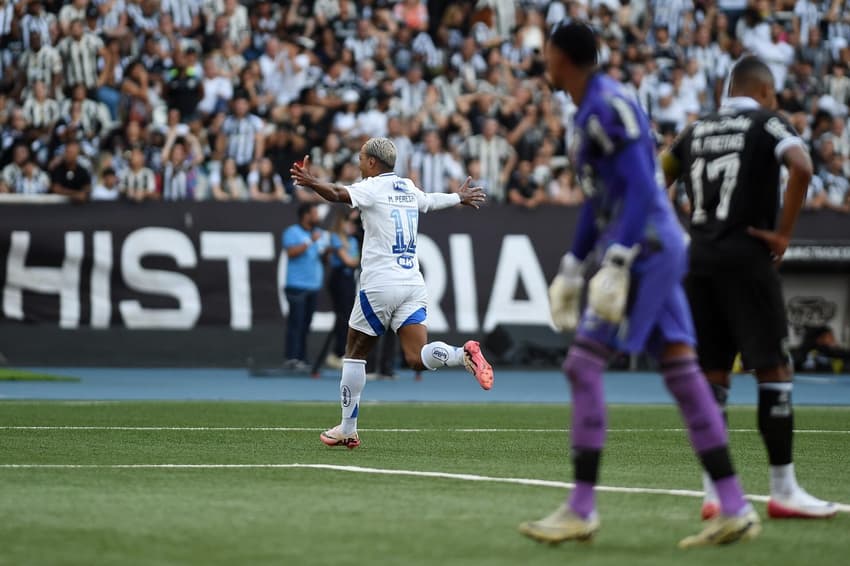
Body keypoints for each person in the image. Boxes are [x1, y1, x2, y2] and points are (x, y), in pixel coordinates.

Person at [519, 22, 759, 549]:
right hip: (650, 247)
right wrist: (572, 263)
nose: (544, 63)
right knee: (681, 371)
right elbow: (598, 198)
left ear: (563, 58)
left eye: (548, 55)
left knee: (582, 365)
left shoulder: (606, 106)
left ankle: (581, 508)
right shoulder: (589, 110)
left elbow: (639, 186)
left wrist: (620, 256)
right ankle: (735, 505)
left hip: (646, 251)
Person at [662, 55, 837, 520]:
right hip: (747, 258)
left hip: (698, 261)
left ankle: (715, 495)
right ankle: (784, 490)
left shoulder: (696, 129)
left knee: (712, 379)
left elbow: (658, 176)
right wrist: (782, 234)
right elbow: (801, 167)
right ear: (762, 91)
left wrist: (673, 235)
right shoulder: (766, 122)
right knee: (773, 372)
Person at [289, 137, 494, 450]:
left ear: (372, 162)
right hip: (412, 283)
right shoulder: (408, 188)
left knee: (355, 354)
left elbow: (337, 194)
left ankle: (347, 428)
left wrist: (311, 181)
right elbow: (431, 201)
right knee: (415, 357)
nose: (358, 163)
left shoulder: (371, 187)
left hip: (379, 284)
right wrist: (458, 197)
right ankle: (459, 354)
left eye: (360, 158)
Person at [282, 202, 327, 371]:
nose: (318, 217)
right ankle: (292, 357)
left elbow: (322, 258)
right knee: (296, 322)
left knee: (306, 324)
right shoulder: (292, 232)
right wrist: (310, 241)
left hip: (313, 285)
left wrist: (327, 254)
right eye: (315, 213)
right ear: (306, 215)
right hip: (297, 285)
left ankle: (302, 357)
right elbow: (291, 253)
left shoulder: (320, 234)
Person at [326, 210, 360, 369]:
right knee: (343, 315)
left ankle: (341, 350)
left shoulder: (353, 240)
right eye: (348, 221)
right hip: (339, 278)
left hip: (349, 279)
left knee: (348, 315)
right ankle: (338, 352)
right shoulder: (336, 237)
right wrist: (358, 261)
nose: (351, 225)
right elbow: (348, 261)